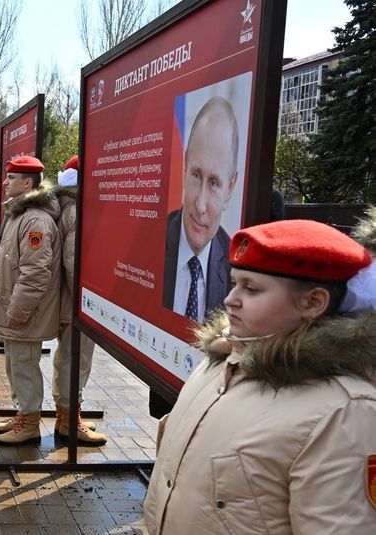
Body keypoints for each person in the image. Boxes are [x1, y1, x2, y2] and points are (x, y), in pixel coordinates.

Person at [144, 219, 376, 534]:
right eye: (234, 283)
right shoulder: (221, 360)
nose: (230, 300)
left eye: (251, 289)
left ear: (313, 302)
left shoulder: (345, 412)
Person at [155, 96, 240, 419]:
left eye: (215, 183)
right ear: (185, 164)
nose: (201, 204)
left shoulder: (236, 266)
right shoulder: (157, 242)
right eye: (196, 176)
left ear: (231, 186)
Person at [0, 155, 61, 445]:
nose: (5, 182)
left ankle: (29, 425)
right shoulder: (20, 214)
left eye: (11, 178)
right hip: (15, 312)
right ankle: (23, 415)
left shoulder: (36, 220)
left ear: (27, 183)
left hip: (26, 314)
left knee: (25, 366)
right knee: (15, 365)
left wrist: (17, 312)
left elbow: (35, 273)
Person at [51, 156, 107, 445]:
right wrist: (87, 307)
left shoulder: (65, 207)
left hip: (63, 301)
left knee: (66, 358)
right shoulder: (77, 212)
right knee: (77, 359)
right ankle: (71, 419)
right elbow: (74, 263)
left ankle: (65, 415)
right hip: (75, 303)